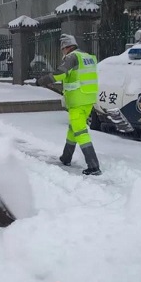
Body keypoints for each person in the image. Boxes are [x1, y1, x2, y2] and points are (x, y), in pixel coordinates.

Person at [37, 34, 102, 176]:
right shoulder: (88, 57)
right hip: (89, 98)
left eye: (62, 49)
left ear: (66, 47)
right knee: (73, 129)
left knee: (80, 132)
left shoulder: (72, 57)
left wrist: (42, 80)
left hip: (77, 100)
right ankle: (66, 157)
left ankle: (93, 165)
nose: (63, 52)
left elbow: (60, 74)